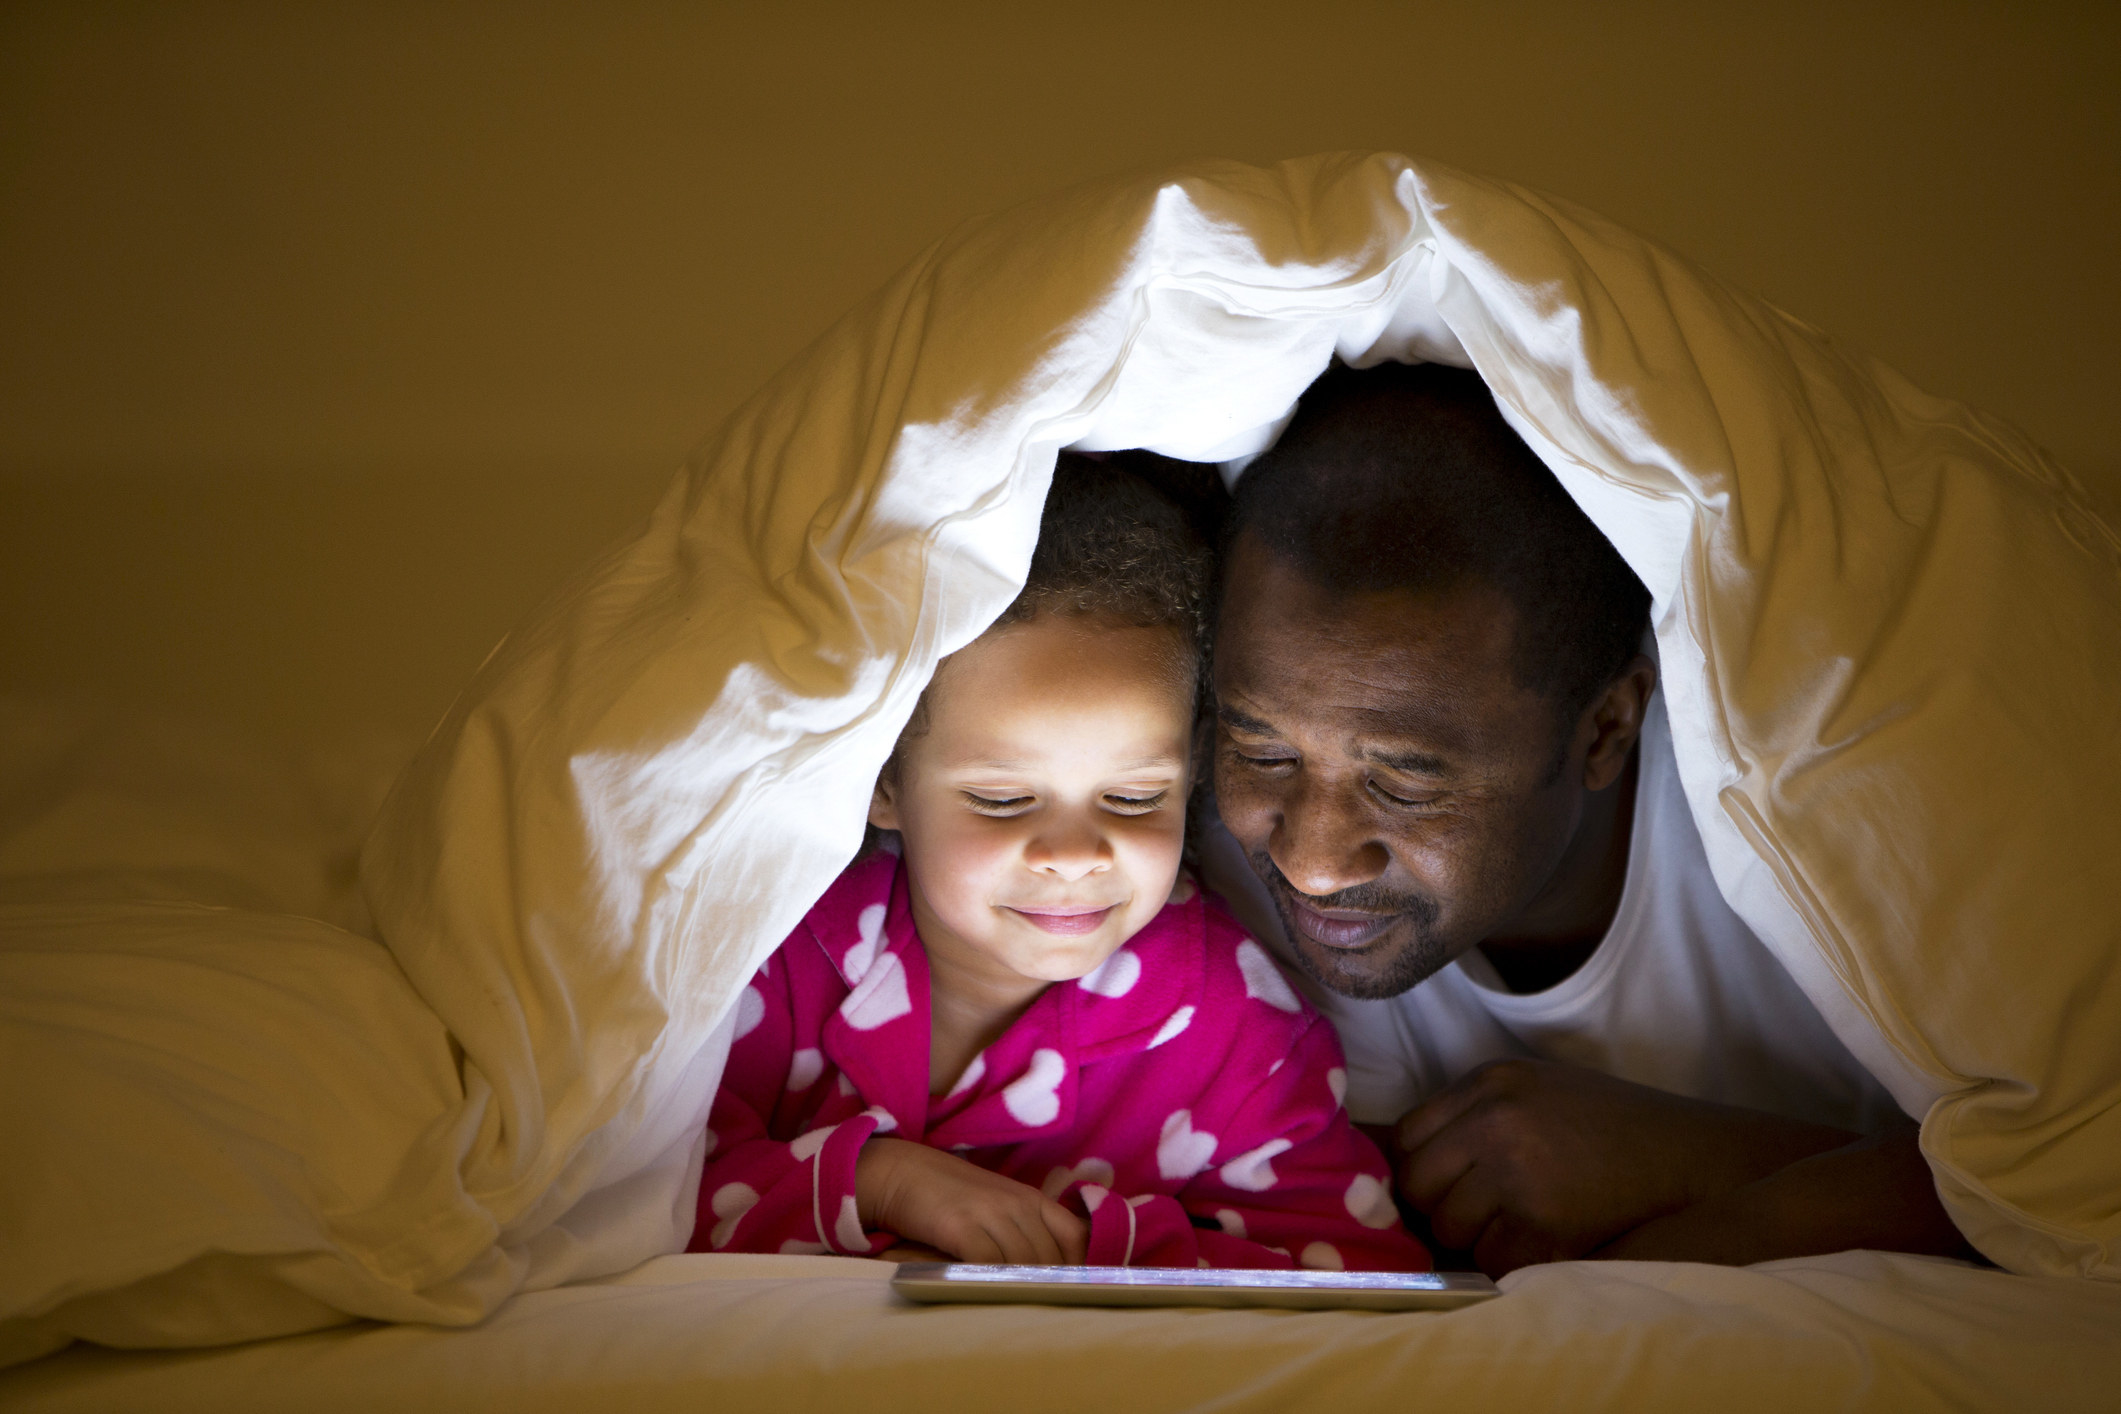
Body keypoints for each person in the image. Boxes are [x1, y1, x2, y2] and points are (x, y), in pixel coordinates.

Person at [1203, 361, 1974, 1277]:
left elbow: (2070, 1177)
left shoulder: (1837, 824)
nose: (1312, 860)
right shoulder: (1217, 844)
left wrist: (1688, 1167)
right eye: (1262, 751)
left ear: (1606, 728)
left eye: (1404, 784)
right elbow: (1359, 1201)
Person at [689, 457, 1428, 1272]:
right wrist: (880, 1183)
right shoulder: (769, 954)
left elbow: (1361, 1276)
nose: (1075, 856)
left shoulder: (1239, 1031)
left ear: (1193, 777)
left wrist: (1090, 1256)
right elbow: (626, 1195)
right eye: (1003, 801)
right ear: (883, 783)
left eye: (1134, 799)